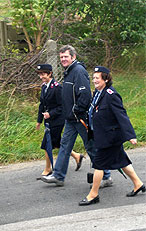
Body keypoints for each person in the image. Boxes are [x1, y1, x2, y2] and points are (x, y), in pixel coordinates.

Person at [41, 45, 111, 186]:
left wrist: (76, 111)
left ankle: (106, 176)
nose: (63, 59)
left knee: (91, 147)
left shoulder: (78, 71)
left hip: (80, 118)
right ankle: (59, 176)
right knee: (65, 145)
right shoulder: (69, 71)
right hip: (71, 119)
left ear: (73, 57)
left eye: (66, 56)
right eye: (61, 57)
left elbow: (84, 95)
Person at [79, 66, 145, 205]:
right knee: (122, 161)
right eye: (94, 78)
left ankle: (93, 194)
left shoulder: (111, 95)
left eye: (97, 78)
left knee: (99, 164)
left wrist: (130, 135)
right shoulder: (98, 93)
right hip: (102, 135)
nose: (94, 80)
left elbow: (121, 115)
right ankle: (138, 184)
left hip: (110, 138)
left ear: (106, 79)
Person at [35, 64, 84, 178]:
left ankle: (48, 168)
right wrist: (39, 120)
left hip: (58, 120)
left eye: (43, 74)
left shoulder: (57, 87)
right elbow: (42, 105)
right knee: (57, 143)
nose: (41, 77)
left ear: (50, 73)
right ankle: (77, 156)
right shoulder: (44, 87)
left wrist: (50, 114)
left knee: (47, 144)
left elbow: (62, 106)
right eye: (39, 74)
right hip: (49, 120)